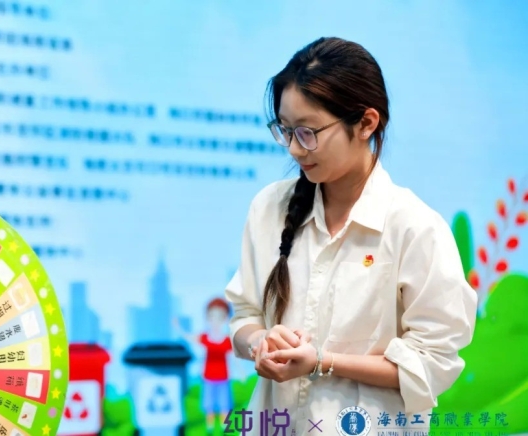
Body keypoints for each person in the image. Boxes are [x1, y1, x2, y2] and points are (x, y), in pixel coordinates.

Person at [224, 37, 477, 435]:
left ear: (366, 123)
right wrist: (261, 343)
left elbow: (432, 363)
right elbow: (244, 318)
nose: (294, 149)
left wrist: (322, 361)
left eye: (307, 132)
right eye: (285, 130)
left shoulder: (414, 227)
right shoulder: (269, 208)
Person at [175, 297, 234, 431]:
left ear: (226, 319)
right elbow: (189, 337)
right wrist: (179, 328)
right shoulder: (205, 337)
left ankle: (225, 428)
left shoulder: (227, 340)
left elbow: (235, 358)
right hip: (208, 379)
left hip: (223, 379)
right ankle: (210, 429)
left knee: (224, 405)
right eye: (211, 316)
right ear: (207, 318)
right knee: (209, 406)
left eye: (220, 316)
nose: (215, 321)